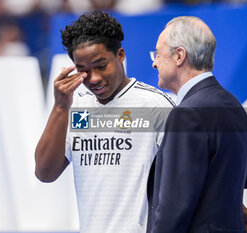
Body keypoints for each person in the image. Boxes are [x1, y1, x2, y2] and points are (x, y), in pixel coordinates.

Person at [34, 10, 174, 233]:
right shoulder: (75, 107)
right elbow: (45, 172)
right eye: (83, 71)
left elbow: (189, 179)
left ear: (120, 55)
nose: (94, 78)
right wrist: (60, 106)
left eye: (101, 66)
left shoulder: (156, 105)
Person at [146, 16, 247, 233]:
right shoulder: (233, 105)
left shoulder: (186, 114)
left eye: (157, 53)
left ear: (179, 56)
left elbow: (173, 209)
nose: (154, 62)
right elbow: (246, 176)